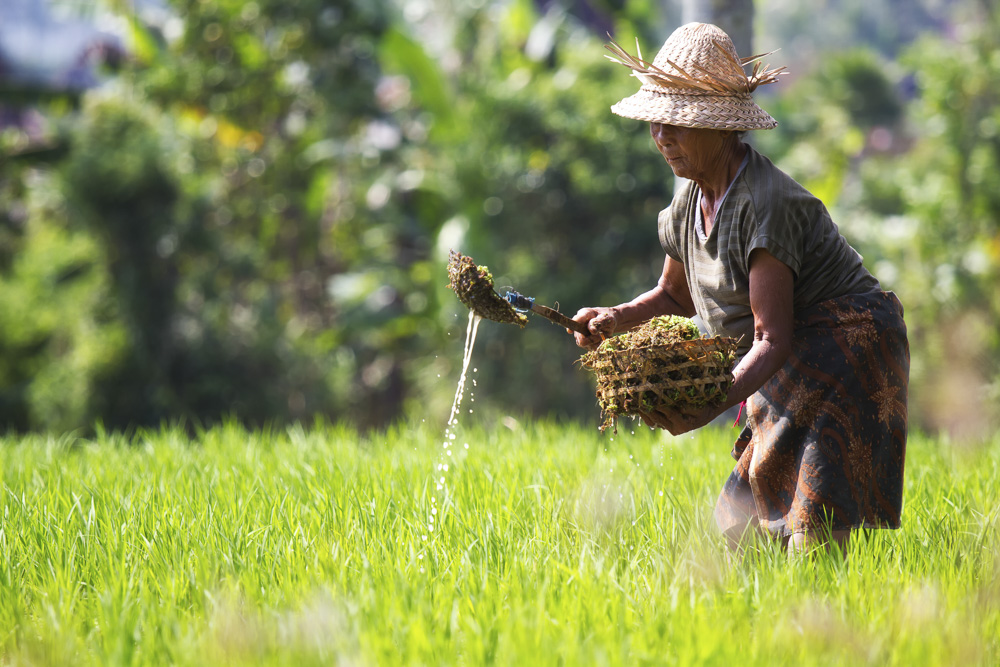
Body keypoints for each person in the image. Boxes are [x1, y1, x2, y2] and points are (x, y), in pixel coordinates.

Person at [572, 23, 909, 555]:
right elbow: (674, 295)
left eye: (677, 124)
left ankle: (819, 621)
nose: (663, 137)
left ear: (720, 129)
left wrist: (707, 404)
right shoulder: (689, 200)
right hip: (786, 349)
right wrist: (614, 317)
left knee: (812, 519)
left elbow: (770, 337)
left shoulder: (764, 204)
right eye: (657, 123)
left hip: (846, 344)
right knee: (739, 525)